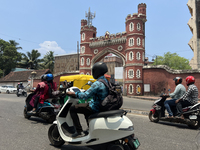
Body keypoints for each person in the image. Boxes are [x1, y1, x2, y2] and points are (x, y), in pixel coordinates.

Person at [66, 62, 109, 138]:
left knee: (72, 109)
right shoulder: (106, 81)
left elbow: (85, 96)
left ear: (96, 71)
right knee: (86, 109)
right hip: (102, 105)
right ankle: (90, 129)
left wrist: (73, 93)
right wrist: (88, 90)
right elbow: (95, 92)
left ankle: (79, 131)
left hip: (96, 107)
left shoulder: (97, 83)